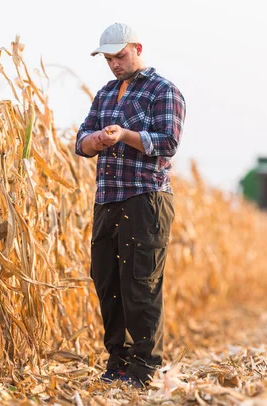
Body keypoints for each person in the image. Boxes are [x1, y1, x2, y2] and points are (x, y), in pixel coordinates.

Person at [75, 22, 186, 387]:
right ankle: (117, 362)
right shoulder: (106, 94)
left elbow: (167, 142)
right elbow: (81, 141)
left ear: (137, 48)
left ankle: (144, 367)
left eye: (120, 56)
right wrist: (95, 140)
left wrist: (124, 135)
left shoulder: (163, 91)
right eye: (108, 58)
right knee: (107, 280)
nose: (114, 64)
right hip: (108, 198)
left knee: (141, 283)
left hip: (145, 198)